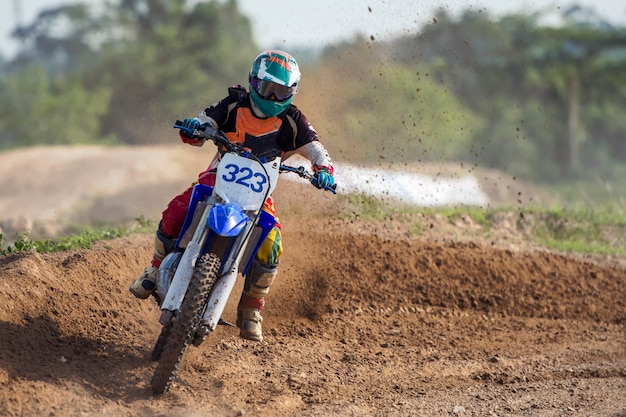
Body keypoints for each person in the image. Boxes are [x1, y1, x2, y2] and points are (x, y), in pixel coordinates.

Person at [129, 50, 335, 342]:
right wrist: (195, 128)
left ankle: (252, 308)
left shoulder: (294, 119)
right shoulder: (233, 103)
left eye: (281, 92)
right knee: (176, 211)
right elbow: (204, 122)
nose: (274, 98)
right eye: (268, 89)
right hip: (217, 179)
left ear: (292, 92)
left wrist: (324, 169)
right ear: (254, 83)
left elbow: (315, 148)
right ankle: (154, 268)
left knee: (271, 245)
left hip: (259, 192)